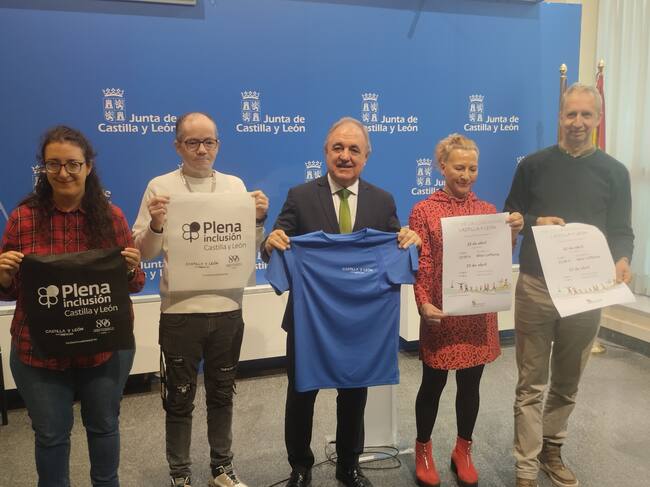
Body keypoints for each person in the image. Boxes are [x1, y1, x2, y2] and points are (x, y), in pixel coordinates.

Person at [262, 117, 421, 487]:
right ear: (326, 153)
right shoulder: (300, 196)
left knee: (354, 394)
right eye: (338, 148)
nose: (345, 156)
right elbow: (278, 243)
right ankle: (300, 466)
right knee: (301, 393)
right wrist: (270, 244)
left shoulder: (382, 200)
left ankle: (348, 464)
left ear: (366, 157)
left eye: (353, 149)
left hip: (360, 321)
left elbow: (393, 247)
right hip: (310, 320)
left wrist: (408, 240)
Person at [504, 83, 634, 487]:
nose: (577, 122)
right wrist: (533, 221)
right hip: (536, 286)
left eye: (586, 115)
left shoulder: (615, 172)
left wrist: (623, 259)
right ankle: (526, 468)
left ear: (598, 119)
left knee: (567, 381)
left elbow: (622, 230)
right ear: (560, 116)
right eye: (571, 114)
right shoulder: (533, 165)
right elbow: (512, 214)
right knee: (530, 383)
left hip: (586, 292)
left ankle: (552, 448)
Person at [0, 125, 145, 487]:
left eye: (72, 164)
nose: (63, 172)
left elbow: (135, 284)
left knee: (104, 427)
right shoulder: (22, 219)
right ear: (44, 168)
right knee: (51, 436)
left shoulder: (112, 217)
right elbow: (10, 291)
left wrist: (130, 269)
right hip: (38, 352)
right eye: (53, 164)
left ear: (88, 166)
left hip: (104, 348)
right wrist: (3, 275)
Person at [132, 112, 269, 487]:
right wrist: (157, 224)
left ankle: (222, 469)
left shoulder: (235, 186)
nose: (202, 149)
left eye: (209, 141)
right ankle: (180, 475)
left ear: (218, 145)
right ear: (177, 146)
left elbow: (250, 247)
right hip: (181, 312)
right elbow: (143, 252)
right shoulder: (160, 187)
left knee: (222, 395)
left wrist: (258, 219)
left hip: (228, 309)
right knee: (179, 398)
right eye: (192, 142)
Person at [408, 134, 523, 487]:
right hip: (441, 315)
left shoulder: (489, 211)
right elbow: (422, 264)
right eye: (459, 167)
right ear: (442, 167)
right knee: (432, 385)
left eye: (472, 168)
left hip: (478, 315)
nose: (466, 175)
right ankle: (423, 449)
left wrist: (513, 233)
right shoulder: (423, 210)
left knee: (471, 386)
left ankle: (463, 450)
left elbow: (498, 259)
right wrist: (423, 303)